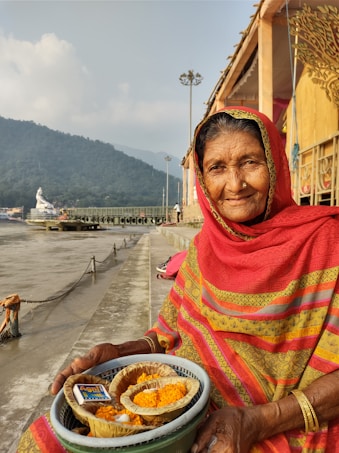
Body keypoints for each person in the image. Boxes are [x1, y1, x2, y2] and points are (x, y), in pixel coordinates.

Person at [22, 106, 339, 453]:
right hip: (180, 400)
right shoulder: (206, 247)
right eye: (217, 168)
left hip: (270, 421)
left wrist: (256, 421)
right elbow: (168, 336)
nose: (235, 184)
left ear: (276, 165)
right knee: (41, 440)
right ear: (202, 179)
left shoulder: (326, 242)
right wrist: (120, 352)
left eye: (250, 162)